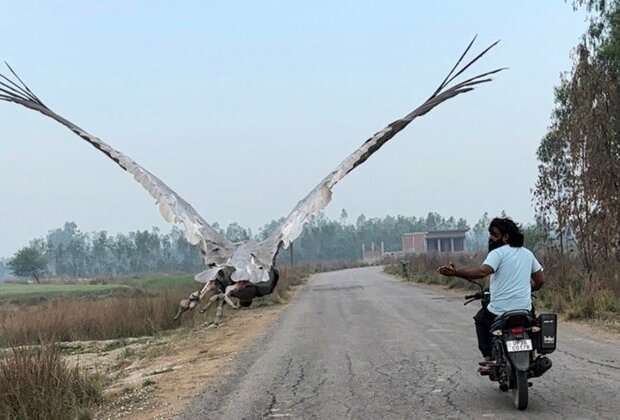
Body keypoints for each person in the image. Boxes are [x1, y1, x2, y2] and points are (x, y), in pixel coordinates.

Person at [437, 217, 545, 372]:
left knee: (480, 321)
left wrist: (456, 272)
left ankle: (488, 361)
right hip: (524, 309)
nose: (490, 238)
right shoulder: (528, 254)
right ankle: (533, 356)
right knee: (532, 323)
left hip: (498, 311)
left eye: (494, 234)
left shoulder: (498, 253)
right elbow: (540, 280)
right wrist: (528, 289)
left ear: (505, 236)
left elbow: (483, 272)